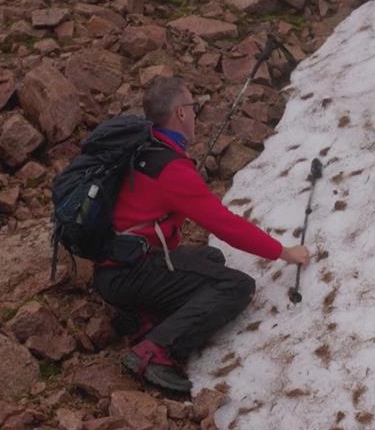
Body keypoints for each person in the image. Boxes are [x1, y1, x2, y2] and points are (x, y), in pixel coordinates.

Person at [93, 76, 311, 392]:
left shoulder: (142, 146)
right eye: (193, 107)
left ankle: (142, 314)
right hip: (128, 273)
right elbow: (226, 226)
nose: (196, 113)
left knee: (211, 257)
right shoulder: (171, 170)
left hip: (115, 265)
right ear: (180, 113)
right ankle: (156, 353)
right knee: (235, 286)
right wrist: (285, 253)